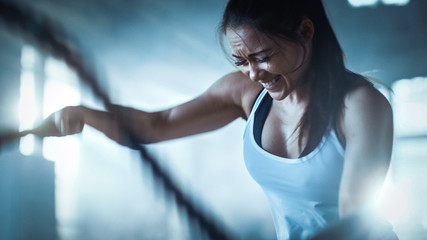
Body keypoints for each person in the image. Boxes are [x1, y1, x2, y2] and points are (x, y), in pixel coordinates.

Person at [33, 0, 395, 239]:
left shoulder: (361, 105)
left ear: (306, 32)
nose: (254, 74)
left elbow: (355, 219)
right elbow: (155, 125)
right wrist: (82, 114)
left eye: (263, 56)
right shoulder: (245, 94)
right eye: (242, 61)